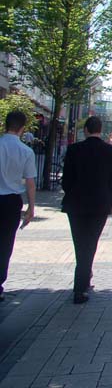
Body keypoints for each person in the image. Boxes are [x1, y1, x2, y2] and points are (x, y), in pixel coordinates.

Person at [61, 116, 112, 304]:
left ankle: (82, 282)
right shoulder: (110, 152)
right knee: (91, 243)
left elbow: (66, 180)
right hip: (100, 204)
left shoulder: (74, 149)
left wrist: (71, 193)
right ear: (100, 130)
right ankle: (82, 283)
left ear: (86, 130)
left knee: (80, 243)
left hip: (76, 203)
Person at [0, 111, 37, 302]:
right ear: (22, 128)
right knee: (5, 243)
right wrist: (31, 207)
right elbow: (30, 182)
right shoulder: (26, 151)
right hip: (12, 201)